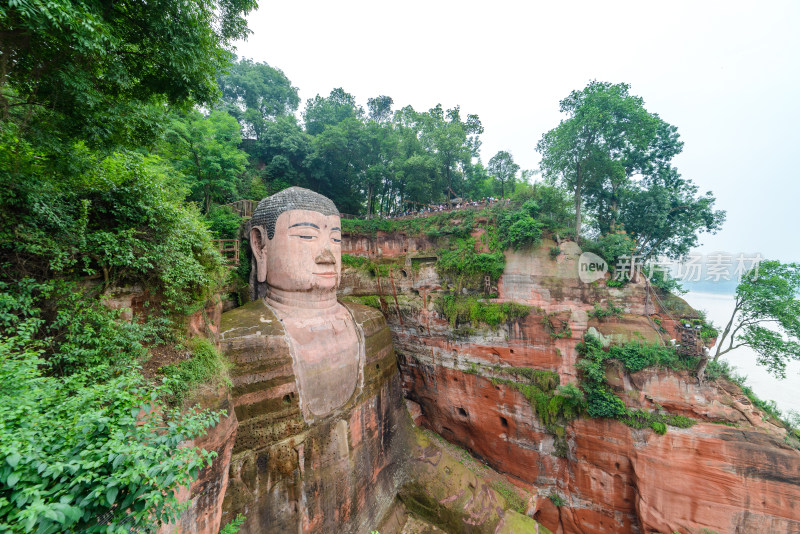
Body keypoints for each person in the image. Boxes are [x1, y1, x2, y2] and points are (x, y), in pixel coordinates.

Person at [249, 187, 362, 420]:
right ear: (260, 245)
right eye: (306, 236)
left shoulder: (369, 323)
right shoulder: (244, 342)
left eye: (335, 239)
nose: (327, 255)